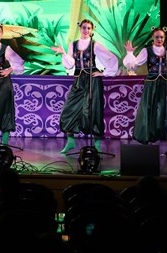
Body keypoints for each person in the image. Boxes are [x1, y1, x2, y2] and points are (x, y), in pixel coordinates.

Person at [51, 19, 118, 154]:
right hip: (79, 81)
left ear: (92, 30)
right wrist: (63, 53)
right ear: (80, 28)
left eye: (88, 28)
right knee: (69, 109)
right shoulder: (73, 44)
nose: (86, 30)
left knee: (93, 111)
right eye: (84, 28)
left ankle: (97, 145)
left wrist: (103, 73)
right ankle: (71, 142)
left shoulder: (94, 44)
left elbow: (111, 58)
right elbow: (70, 64)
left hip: (93, 81)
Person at [124, 26, 167, 156]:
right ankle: (147, 147)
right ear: (153, 38)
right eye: (157, 37)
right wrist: (130, 53)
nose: (159, 39)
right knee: (149, 111)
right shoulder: (147, 51)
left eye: (161, 37)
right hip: (151, 85)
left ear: (164, 38)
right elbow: (133, 66)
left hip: (164, 85)